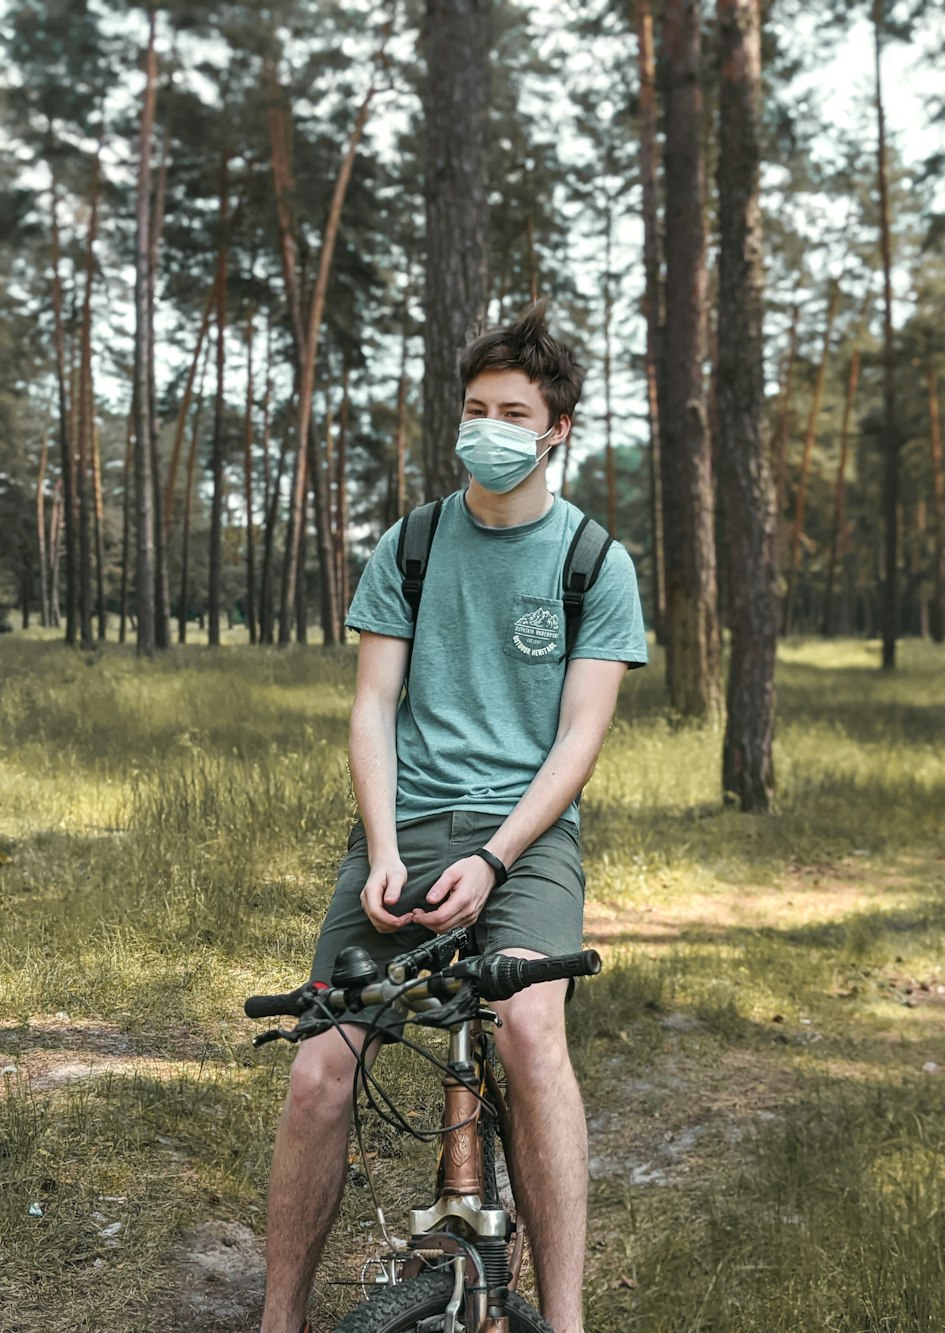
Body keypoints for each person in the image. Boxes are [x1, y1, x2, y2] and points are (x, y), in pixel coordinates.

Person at [260, 303, 647, 1333]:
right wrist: (383, 849)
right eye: (475, 407)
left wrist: (494, 854)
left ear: (555, 427)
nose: (489, 427)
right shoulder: (412, 543)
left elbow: (578, 739)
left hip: (525, 841)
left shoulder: (594, 562)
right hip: (405, 823)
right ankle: (277, 1318)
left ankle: (563, 1319)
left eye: (512, 411)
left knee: (529, 1026)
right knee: (315, 1072)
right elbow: (372, 705)